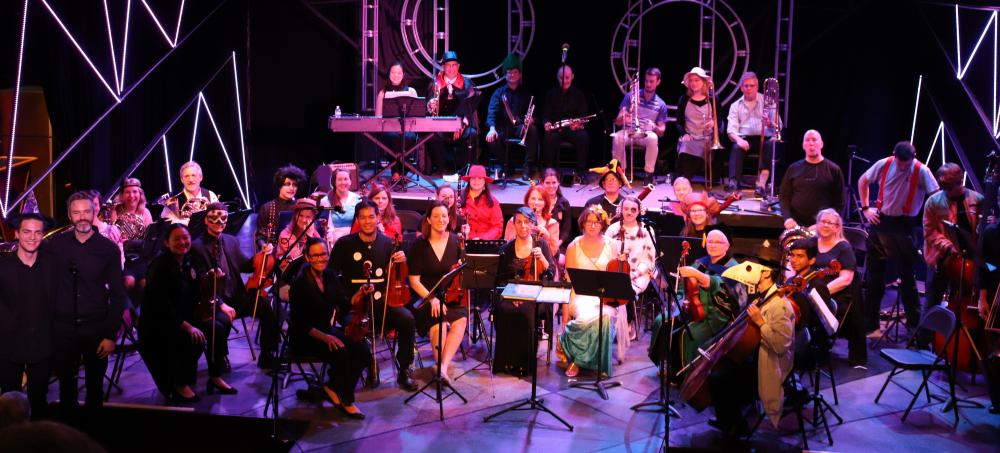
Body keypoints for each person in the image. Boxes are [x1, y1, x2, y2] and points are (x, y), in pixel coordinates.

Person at [140, 223, 239, 402]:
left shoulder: (189, 260)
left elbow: (201, 288)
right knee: (192, 337)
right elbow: (160, 304)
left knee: (218, 325)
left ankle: (215, 376)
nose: (183, 242)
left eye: (185, 238)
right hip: (163, 321)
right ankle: (179, 383)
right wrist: (187, 326)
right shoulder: (160, 266)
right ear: (166, 243)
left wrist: (211, 280)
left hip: (187, 314)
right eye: (177, 239)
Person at [47, 192, 127, 409]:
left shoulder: (108, 248)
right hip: (63, 329)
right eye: (76, 212)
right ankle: (67, 438)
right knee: (66, 389)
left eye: (86, 212)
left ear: (94, 213)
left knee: (95, 389)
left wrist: (110, 335)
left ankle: (92, 437)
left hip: (96, 329)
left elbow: (119, 295)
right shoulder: (55, 245)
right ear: (69, 215)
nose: (82, 217)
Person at [330, 199, 418, 391]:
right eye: (362, 217)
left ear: (378, 217)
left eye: (371, 217)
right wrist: (344, 300)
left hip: (382, 306)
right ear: (357, 220)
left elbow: (397, 277)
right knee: (353, 327)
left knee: (407, 318)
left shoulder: (388, 243)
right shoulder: (344, 244)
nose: (367, 221)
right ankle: (369, 364)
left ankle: (404, 369)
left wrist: (402, 260)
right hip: (354, 307)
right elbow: (330, 276)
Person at [708, 256, 795, 438]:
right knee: (719, 372)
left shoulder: (779, 304)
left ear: (766, 273)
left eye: (753, 267)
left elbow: (780, 345)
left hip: (767, 367)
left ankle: (737, 426)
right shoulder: (763, 298)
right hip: (754, 358)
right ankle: (728, 420)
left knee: (719, 379)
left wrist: (760, 322)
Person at [858, 141, 938, 336]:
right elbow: (863, 180)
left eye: (906, 164)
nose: (903, 167)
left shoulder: (921, 170)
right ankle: (871, 326)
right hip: (882, 221)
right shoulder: (884, 163)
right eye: (900, 164)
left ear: (914, 156)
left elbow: (936, 196)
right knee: (875, 276)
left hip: (905, 225)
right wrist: (866, 208)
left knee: (907, 277)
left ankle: (914, 327)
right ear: (894, 155)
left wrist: (932, 225)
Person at [289, 237, 372, 419]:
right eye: (315, 255)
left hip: (326, 329)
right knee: (341, 351)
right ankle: (347, 401)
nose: (320, 259)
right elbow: (299, 323)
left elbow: (343, 302)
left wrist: (359, 294)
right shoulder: (300, 284)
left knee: (362, 348)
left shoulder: (330, 275)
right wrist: (326, 337)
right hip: (305, 336)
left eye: (323, 254)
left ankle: (333, 387)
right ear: (307, 257)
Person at [190, 202, 278, 368]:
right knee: (221, 322)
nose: (219, 222)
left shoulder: (230, 240)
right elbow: (200, 285)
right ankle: (220, 358)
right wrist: (221, 305)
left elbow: (245, 265)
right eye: (214, 218)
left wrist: (262, 255)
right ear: (206, 221)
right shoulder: (197, 247)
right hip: (213, 301)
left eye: (223, 218)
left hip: (237, 296)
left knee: (266, 307)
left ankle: (267, 354)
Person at [0, 213, 56, 417]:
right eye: (26, 232)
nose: (32, 237)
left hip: (42, 345)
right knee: (9, 404)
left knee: (39, 401)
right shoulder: (3, 268)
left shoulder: (52, 266)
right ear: (16, 234)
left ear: (43, 235)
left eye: (37, 232)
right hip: (8, 347)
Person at [407, 201, 469, 381]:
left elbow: (461, 271)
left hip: (449, 296)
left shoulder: (457, 240)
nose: (441, 219)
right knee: (439, 323)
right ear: (428, 219)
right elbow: (414, 281)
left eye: (444, 215)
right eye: (436, 216)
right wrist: (432, 299)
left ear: (449, 218)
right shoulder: (420, 245)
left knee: (461, 319)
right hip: (426, 297)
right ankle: (441, 369)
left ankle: (441, 367)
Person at [560, 206, 621, 377]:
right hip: (580, 297)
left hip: (605, 297)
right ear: (583, 224)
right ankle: (582, 360)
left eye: (597, 222)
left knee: (606, 317)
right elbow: (569, 282)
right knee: (589, 317)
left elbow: (615, 279)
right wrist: (565, 316)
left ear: (602, 225)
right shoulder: (574, 246)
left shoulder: (612, 245)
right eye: (589, 222)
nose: (593, 226)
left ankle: (581, 361)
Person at [494, 207, 554, 375]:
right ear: (514, 224)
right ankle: (506, 362)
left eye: (526, 222)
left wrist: (542, 257)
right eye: (519, 222)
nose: (523, 226)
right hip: (511, 294)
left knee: (527, 311)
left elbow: (551, 272)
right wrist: (513, 295)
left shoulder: (540, 244)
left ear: (532, 224)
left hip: (536, 296)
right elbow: (500, 280)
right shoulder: (507, 248)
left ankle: (525, 363)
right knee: (506, 309)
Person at [922, 163, 984, 320]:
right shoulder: (933, 202)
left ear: (960, 181)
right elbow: (929, 232)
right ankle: (923, 341)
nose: (947, 192)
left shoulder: (977, 200)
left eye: (951, 187)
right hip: (941, 259)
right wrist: (948, 245)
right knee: (932, 303)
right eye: (945, 188)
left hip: (969, 262)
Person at [811, 209, 866, 366]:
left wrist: (820, 293)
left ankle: (814, 353)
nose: (826, 225)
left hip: (835, 295)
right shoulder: (812, 243)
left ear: (837, 227)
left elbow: (845, 280)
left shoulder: (844, 248)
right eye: (823, 221)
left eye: (830, 223)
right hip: (812, 290)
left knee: (810, 308)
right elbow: (795, 262)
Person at [677, 229, 739, 366]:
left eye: (718, 242)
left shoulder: (734, 268)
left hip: (717, 314)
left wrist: (697, 274)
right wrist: (681, 298)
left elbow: (719, 285)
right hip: (694, 306)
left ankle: (690, 374)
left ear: (727, 246)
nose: (713, 245)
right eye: (710, 241)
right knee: (664, 323)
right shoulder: (701, 262)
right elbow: (683, 286)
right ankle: (671, 367)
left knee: (691, 334)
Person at [605, 196, 657, 342]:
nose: (629, 212)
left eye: (633, 209)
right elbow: (606, 253)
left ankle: (628, 323)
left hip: (640, 273)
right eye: (626, 209)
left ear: (639, 211)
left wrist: (634, 274)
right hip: (616, 272)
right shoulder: (613, 229)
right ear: (620, 210)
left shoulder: (646, 231)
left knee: (625, 288)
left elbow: (649, 260)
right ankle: (609, 324)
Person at [426, 51, 480, 176]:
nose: (451, 68)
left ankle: (464, 171)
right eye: (448, 65)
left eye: (454, 65)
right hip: (440, 127)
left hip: (462, 126)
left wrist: (460, 125)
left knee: (472, 134)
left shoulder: (467, 84)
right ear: (443, 67)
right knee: (432, 136)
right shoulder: (435, 83)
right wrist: (430, 105)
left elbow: (470, 109)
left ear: (458, 66)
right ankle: (441, 169)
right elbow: (427, 107)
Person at [485, 53, 539, 180]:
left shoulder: (526, 94)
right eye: (509, 72)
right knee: (491, 138)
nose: (512, 75)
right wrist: (492, 129)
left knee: (533, 130)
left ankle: (527, 167)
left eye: (515, 72)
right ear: (505, 74)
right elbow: (491, 112)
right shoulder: (498, 93)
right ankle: (507, 166)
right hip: (503, 128)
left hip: (520, 127)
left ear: (519, 74)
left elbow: (536, 116)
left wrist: (531, 120)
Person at [779, 130, 845, 229]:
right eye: (807, 140)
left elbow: (839, 203)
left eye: (814, 140)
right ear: (803, 145)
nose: (811, 143)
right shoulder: (793, 168)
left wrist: (823, 224)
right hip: (796, 226)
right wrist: (788, 218)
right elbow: (784, 196)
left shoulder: (834, 170)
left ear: (821, 144)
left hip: (824, 228)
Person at [613, 67, 668, 184]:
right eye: (646, 81)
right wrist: (623, 118)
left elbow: (662, 131)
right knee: (617, 137)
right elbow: (617, 122)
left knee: (653, 137)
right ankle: (621, 172)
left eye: (652, 81)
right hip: (629, 130)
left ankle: (649, 174)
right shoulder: (630, 96)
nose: (648, 84)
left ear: (658, 82)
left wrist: (654, 127)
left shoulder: (661, 104)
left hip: (645, 133)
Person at [725, 72, 776, 193]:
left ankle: (762, 184)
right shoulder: (735, 105)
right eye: (746, 86)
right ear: (741, 88)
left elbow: (778, 125)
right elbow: (731, 130)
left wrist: (769, 123)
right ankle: (733, 184)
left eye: (752, 85)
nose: (749, 88)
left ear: (757, 87)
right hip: (745, 138)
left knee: (770, 145)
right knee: (736, 147)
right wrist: (739, 140)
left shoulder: (768, 101)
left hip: (765, 138)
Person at [541, 65, 590, 176]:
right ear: (557, 77)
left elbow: (583, 117)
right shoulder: (551, 94)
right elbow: (545, 115)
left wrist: (578, 125)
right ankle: (549, 171)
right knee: (548, 137)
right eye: (561, 78)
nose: (564, 81)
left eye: (567, 78)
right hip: (556, 130)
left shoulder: (579, 95)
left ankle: (581, 171)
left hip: (573, 130)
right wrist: (546, 123)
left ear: (572, 77)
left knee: (583, 136)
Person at [375, 61, 419, 180]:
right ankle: (396, 171)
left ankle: (403, 171)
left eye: (399, 72)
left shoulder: (411, 91)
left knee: (409, 137)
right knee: (392, 137)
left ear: (403, 74)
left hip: (408, 129)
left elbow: (416, 116)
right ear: (389, 74)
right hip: (389, 129)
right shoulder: (382, 93)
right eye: (393, 72)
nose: (396, 75)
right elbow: (378, 118)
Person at [110, 178, 154, 296]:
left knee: (146, 284)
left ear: (140, 194)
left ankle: (141, 312)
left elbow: (150, 239)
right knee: (129, 282)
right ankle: (125, 310)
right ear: (122, 195)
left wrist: (132, 243)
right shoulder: (115, 211)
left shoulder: (145, 212)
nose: (131, 196)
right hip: (122, 258)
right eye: (127, 192)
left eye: (135, 192)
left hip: (140, 257)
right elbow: (110, 234)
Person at [674, 67, 717, 183]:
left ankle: (685, 180)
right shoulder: (684, 99)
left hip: (707, 137)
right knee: (686, 146)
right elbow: (678, 122)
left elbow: (720, 119)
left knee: (702, 147)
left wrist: (714, 123)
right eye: (691, 80)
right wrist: (684, 133)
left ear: (704, 82)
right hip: (691, 135)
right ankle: (685, 180)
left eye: (697, 80)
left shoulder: (713, 99)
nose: (693, 83)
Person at [255, 164, 306, 248]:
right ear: (279, 186)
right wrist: (264, 245)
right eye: (287, 184)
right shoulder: (267, 208)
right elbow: (260, 236)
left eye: (294, 185)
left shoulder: (301, 206)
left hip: (298, 250)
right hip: (274, 251)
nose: (291, 188)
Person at [503, 185, 559, 254]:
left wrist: (547, 237)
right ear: (527, 200)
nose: (536, 203)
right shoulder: (514, 221)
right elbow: (507, 248)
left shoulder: (552, 224)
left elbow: (553, 253)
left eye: (540, 199)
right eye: (533, 199)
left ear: (545, 203)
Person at [459, 165, 503, 240]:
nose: (476, 181)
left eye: (480, 178)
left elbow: (497, 227)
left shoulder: (493, 202)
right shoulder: (460, 200)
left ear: (484, 181)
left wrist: (482, 238)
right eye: (473, 178)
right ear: (469, 181)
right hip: (464, 241)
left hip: (485, 244)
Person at [320, 167, 363, 245]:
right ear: (334, 182)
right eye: (339, 179)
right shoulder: (325, 201)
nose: (343, 182)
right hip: (334, 242)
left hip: (354, 241)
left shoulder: (358, 200)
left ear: (350, 181)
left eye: (346, 179)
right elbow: (326, 226)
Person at [541, 168, 573, 253]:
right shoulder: (538, 202)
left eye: (554, 182)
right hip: (538, 244)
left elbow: (566, 230)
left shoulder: (564, 203)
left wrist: (555, 245)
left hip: (558, 245)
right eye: (547, 183)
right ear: (542, 183)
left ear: (558, 183)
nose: (551, 186)